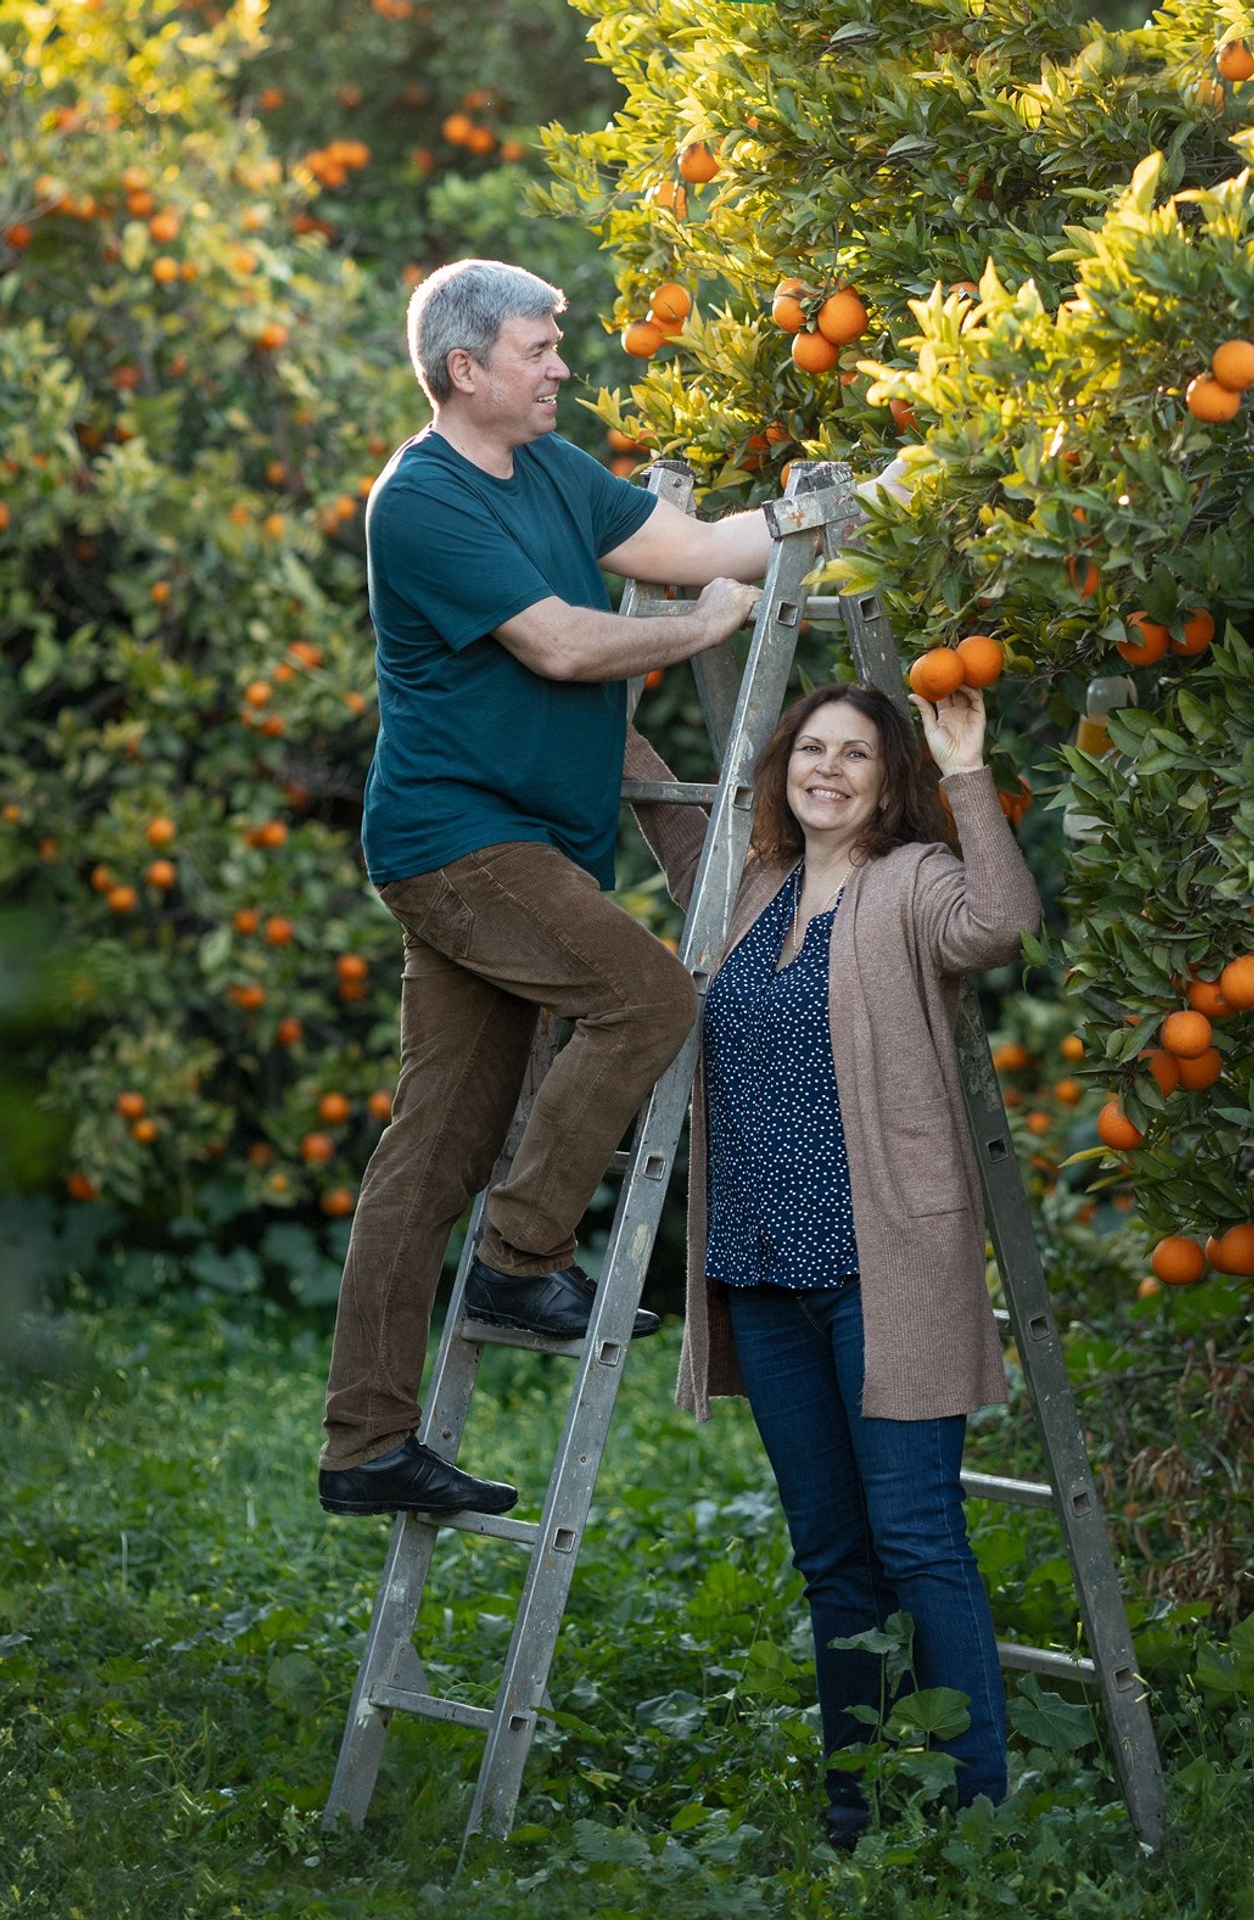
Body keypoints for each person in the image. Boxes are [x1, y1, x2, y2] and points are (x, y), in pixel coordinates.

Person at [316, 259, 770, 1519]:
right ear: (466, 371)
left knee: (439, 1144)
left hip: (527, 847)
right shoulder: (420, 500)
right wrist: (700, 629)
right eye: (538, 348)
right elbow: (563, 643)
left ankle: (365, 1445)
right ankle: (523, 1257)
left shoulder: (559, 473)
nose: (562, 365)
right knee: (647, 999)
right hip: (459, 845)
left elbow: (700, 543)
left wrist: (843, 510)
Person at [634, 679, 1041, 1848]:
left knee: (916, 1538)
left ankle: (974, 1813)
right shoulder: (749, 888)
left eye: (855, 754)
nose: (828, 769)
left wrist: (966, 766)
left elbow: (1002, 923)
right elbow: (660, 806)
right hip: (762, 1273)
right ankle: (855, 1809)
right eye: (810, 748)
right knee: (831, 1560)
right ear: (782, 767)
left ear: (886, 778)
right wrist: (590, 670)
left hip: (884, 1270)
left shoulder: (911, 883)